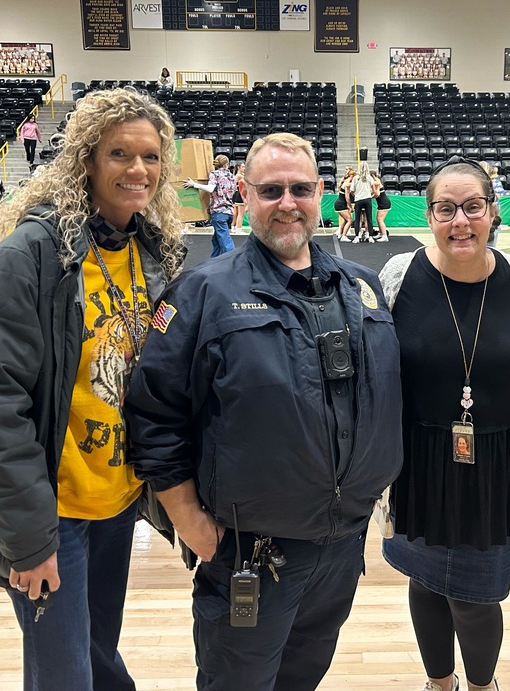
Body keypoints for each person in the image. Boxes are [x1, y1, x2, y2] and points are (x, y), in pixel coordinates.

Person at [0, 87, 187, 691]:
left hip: (116, 504)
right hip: (51, 513)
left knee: (94, 654)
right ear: (87, 159)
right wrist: (27, 537)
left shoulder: (153, 253)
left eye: (151, 156)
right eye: (120, 153)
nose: (138, 169)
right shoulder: (30, 256)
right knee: (65, 675)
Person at [123, 132, 403, 691]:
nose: (287, 203)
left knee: (303, 678)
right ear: (244, 196)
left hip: (341, 547)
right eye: (271, 190)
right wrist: (187, 520)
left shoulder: (362, 287)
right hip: (250, 552)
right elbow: (152, 413)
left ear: (321, 192)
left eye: (300, 189)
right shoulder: (202, 293)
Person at [377, 155, 510, 691]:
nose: (460, 221)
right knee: (425, 582)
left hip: (498, 463)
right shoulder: (398, 276)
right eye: (445, 208)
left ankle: (481, 686)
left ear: (494, 211)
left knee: (475, 595)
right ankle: (439, 683)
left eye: (473, 206)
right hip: (419, 463)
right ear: (428, 215)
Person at [184, 153, 236, 257]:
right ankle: (213, 262)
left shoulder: (215, 174)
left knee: (225, 242)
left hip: (218, 212)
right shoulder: (232, 176)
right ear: (226, 164)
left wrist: (194, 184)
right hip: (229, 212)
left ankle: (234, 261)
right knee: (217, 240)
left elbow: (211, 188)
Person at [347, 162, 377, 242]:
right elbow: (374, 190)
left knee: (357, 219)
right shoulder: (369, 178)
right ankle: (370, 236)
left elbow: (352, 190)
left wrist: (356, 195)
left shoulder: (356, 178)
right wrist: (369, 194)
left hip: (358, 200)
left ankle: (357, 236)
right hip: (367, 199)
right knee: (369, 218)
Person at [371, 168, 392, 242]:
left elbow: (377, 194)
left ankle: (384, 236)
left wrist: (370, 197)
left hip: (384, 203)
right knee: (378, 219)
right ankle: (380, 233)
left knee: (380, 219)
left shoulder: (376, 182)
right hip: (381, 203)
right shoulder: (377, 180)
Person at [334, 166, 355, 239]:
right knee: (350, 220)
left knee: (346, 220)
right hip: (341, 204)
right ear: (352, 176)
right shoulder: (347, 184)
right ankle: (344, 236)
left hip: (340, 203)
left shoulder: (345, 181)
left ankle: (340, 233)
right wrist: (350, 206)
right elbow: (347, 197)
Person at [230, 162, 247, 234]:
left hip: (237, 193)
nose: (244, 168)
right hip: (239, 194)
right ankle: (238, 229)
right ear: (238, 168)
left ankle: (233, 227)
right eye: (243, 167)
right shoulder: (239, 176)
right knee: (241, 213)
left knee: (236, 213)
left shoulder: (240, 175)